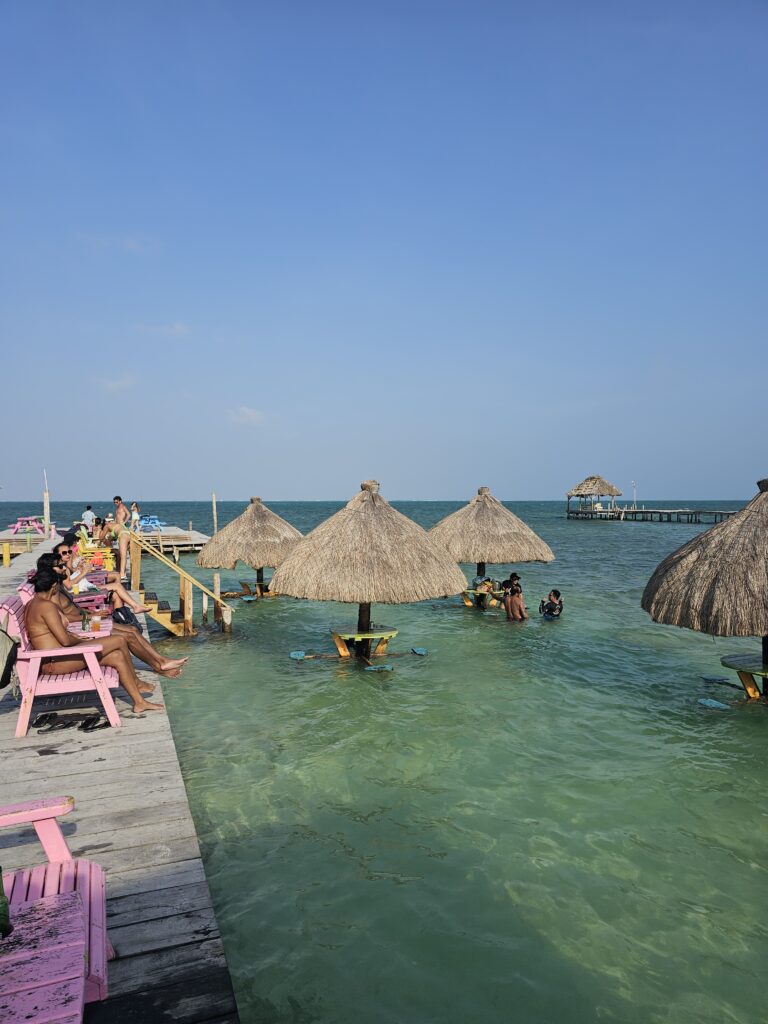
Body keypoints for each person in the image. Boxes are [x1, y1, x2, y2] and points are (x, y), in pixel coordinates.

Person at [25, 564, 163, 715]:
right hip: (54, 662)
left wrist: (77, 638)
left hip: (57, 657)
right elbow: (65, 641)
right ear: (53, 586)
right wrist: (85, 642)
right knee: (119, 641)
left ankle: (139, 702)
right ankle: (135, 683)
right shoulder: (46, 606)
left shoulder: (33, 603)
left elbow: (58, 637)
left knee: (116, 656)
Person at [37, 553, 188, 679]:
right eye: (60, 566)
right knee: (127, 636)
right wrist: (91, 616)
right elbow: (63, 619)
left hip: (86, 620)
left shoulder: (58, 588)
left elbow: (70, 611)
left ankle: (162, 660)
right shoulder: (53, 594)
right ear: (49, 570)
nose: (65, 568)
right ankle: (158, 666)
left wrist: (91, 613)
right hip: (82, 626)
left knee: (132, 630)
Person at [53, 539, 151, 616]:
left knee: (116, 594)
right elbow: (69, 585)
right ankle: (133, 608)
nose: (68, 554)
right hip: (81, 592)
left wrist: (80, 568)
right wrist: (84, 572)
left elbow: (71, 578)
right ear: (57, 555)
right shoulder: (62, 569)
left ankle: (123, 616)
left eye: (69, 552)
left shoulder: (64, 566)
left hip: (86, 588)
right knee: (117, 586)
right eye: (64, 553)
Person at [113, 496, 131, 581]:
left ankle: (122, 573)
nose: (115, 503)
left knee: (123, 553)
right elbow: (116, 517)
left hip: (122, 527)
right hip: (118, 528)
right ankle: (120, 570)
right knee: (120, 551)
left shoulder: (123, 506)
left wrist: (124, 522)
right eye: (114, 502)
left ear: (120, 501)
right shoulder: (117, 508)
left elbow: (129, 514)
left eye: (116, 502)